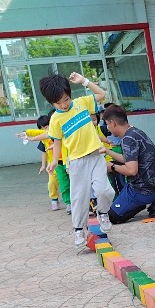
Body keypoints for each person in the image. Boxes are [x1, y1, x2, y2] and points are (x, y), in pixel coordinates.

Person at [39, 71, 114, 250]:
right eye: (58, 103)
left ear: (69, 94)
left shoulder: (82, 103)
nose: (64, 105)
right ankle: (79, 229)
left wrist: (84, 81)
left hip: (95, 157)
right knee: (79, 198)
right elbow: (57, 141)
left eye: (66, 99)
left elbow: (102, 94)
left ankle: (103, 213)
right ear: (51, 103)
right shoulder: (55, 119)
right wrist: (54, 161)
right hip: (76, 162)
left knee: (105, 191)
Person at [101, 104, 155, 224]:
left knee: (112, 217)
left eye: (107, 124)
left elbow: (131, 170)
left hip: (141, 189)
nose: (107, 128)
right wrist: (107, 151)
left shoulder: (128, 139)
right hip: (153, 186)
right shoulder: (135, 132)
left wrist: (112, 167)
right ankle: (151, 200)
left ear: (113, 123)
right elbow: (128, 159)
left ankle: (146, 202)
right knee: (116, 165)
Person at [17, 113, 69, 211]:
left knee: (67, 183)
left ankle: (72, 202)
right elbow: (43, 152)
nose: (44, 130)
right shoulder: (44, 139)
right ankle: (54, 199)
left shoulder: (58, 133)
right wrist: (43, 165)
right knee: (52, 183)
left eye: (46, 127)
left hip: (65, 161)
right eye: (42, 129)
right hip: (53, 165)